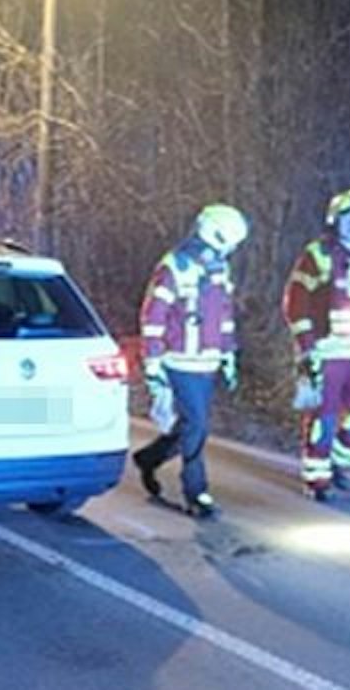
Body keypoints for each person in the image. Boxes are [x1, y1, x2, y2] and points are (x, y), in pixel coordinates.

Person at [132, 203, 247, 518]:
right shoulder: (176, 265)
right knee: (197, 425)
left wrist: (227, 353)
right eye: (230, 241)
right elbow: (154, 317)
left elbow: (223, 315)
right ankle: (196, 492)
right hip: (179, 361)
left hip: (206, 363)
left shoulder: (219, 268)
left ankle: (150, 458)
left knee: (188, 426)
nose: (232, 249)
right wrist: (153, 362)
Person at [281, 189, 350, 501]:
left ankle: (337, 462)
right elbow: (295, 301)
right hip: (326, 350)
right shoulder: (318, 254)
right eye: (346, 218)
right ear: (335, 221)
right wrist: (306, 343)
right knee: (324, 419)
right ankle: (317, 479)